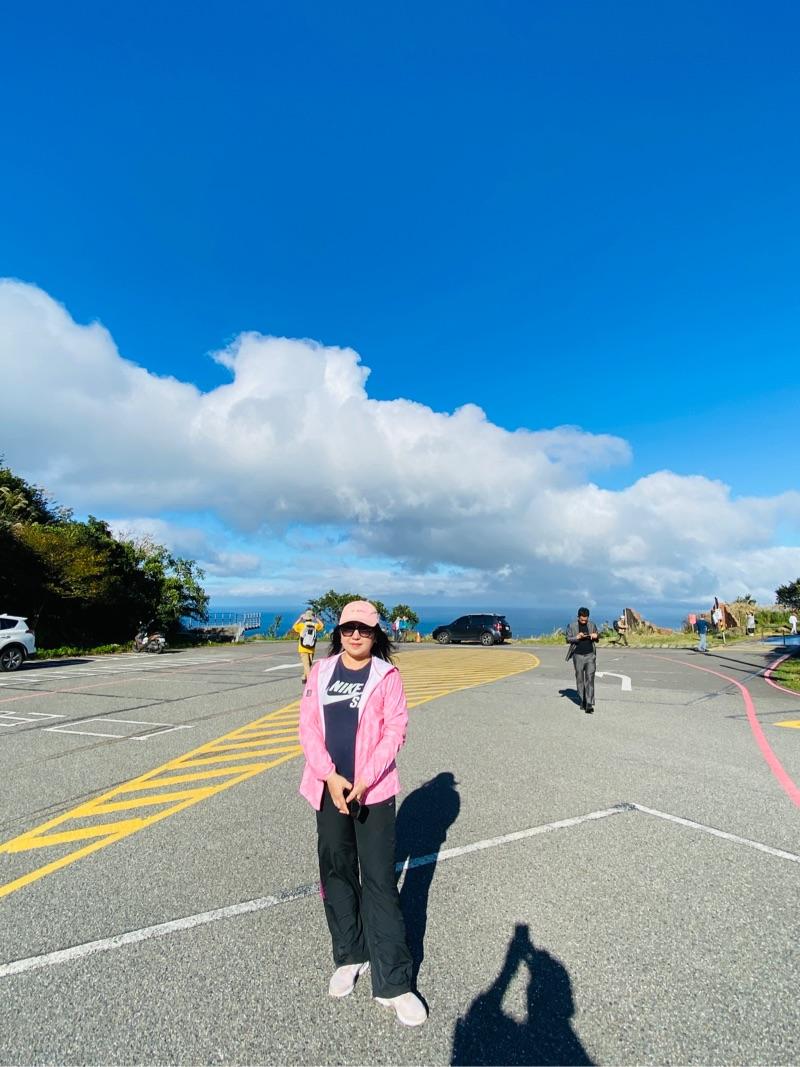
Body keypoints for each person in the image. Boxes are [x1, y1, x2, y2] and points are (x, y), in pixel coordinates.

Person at [298, 600, 427, 1027]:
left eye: (365, 629)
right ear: (339, 632)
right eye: (349, 628)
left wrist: (365, 779)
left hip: (373, 793)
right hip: (327, 789)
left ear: (376, 634)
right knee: (336, 871)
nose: (356, 635)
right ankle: (349, 954)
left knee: (379, 881)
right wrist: (329, 776)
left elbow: (396, 730)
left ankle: (394, 981)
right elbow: (307, 728)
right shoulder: (321, 672)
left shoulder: (386, 676)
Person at [565, 607, 598, 713]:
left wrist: (596, 636)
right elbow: (568, 639)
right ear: (578, 617)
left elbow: (597, 637)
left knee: (590, 678)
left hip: (590, 655)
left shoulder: (592, 625)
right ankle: (582, 700)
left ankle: (589, 703)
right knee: (580, 679)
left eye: (586, 619)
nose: (584, 621)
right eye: (582, 619)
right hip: (577, 655)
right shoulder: (572, 625)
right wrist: (577, 637)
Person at [293, 610, 324, 685]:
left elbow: (294, 626)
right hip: (311, 648)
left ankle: (308, 679)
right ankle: (305, 677)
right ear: (312, 617)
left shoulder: (301, 625)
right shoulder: (315, 625)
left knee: (306, 665)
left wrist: (300, 618)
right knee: (308, 664)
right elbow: (322, 626)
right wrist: (316, 618)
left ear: (305, 617)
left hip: (302, 648)